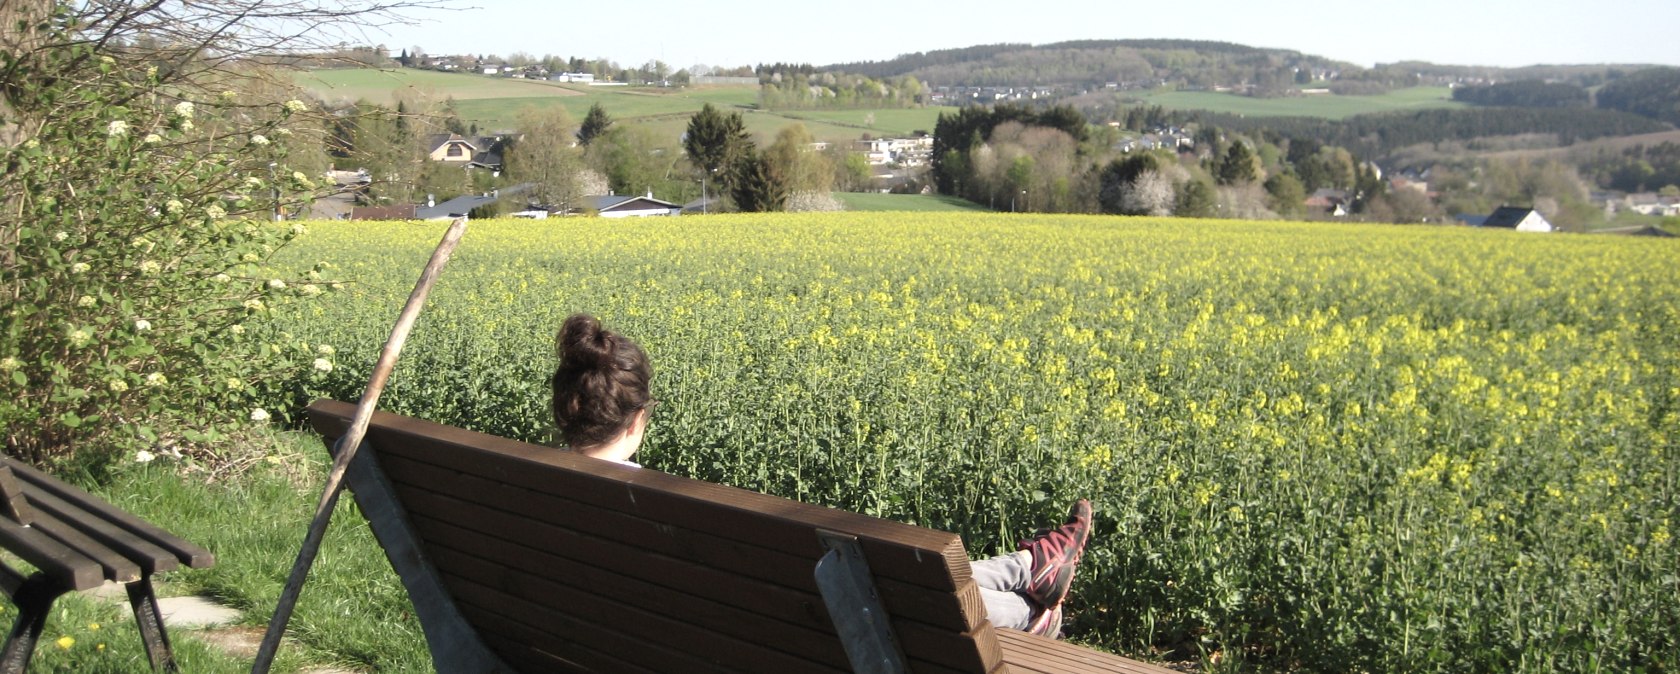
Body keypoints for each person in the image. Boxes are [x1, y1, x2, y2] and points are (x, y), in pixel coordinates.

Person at [550, 313, 1092, 637]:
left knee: (881, 584)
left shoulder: (518, 487)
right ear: (641, 416)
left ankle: (1028, 568)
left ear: (563, 411)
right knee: (881, 591)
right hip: (756, 642)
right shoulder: (663, 506)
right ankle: (1026, 604)